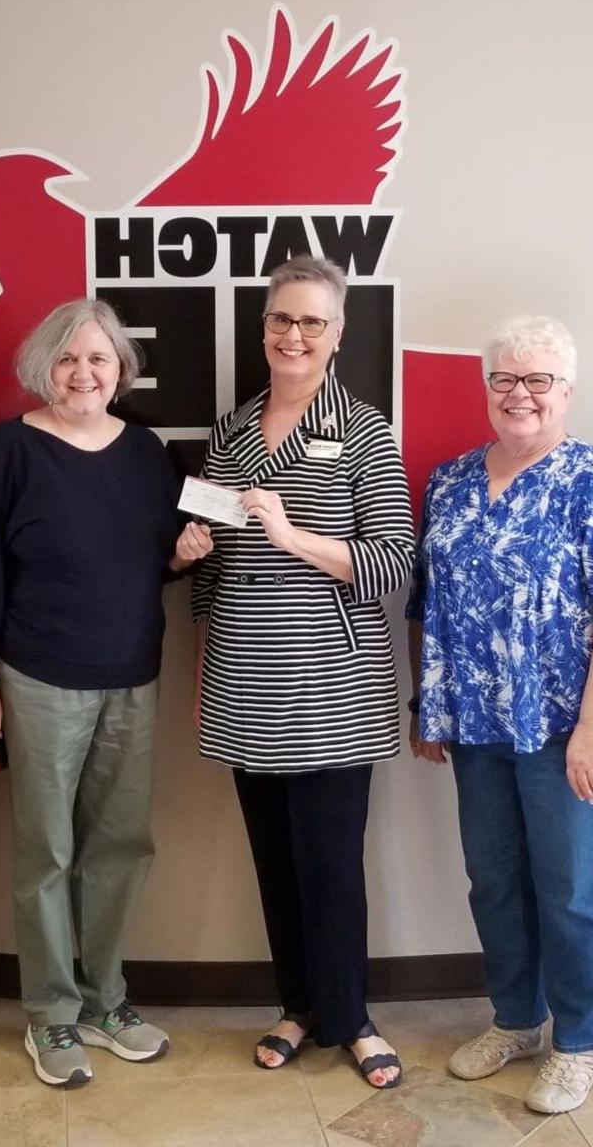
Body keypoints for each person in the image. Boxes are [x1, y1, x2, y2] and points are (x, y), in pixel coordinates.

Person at [0, 298, 212, 1088]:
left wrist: (186, 554)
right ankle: (50, 1017)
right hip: (37, 676)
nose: (82, 373)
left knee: (120, 849)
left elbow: (153, 559)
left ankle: (105, 1003)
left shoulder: (144, 452)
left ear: (120, 371)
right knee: (47, 853)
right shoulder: (8, 451)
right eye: (67, 359)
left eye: (98, 359)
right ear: (43, 368)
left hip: (131, 674)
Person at [406, 315, 593, 1114]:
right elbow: (429, 604)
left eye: (537, 379)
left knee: (575, 889)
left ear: (566, 391)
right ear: (487, 387)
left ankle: (579, 1045)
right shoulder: (448, 480)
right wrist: (431, 703)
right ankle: (516, 1019)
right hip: (476, 726)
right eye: (504, 379)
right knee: (496, 883)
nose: (519, 394)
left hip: (568, 730)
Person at [191, 256, 414, 1089]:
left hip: (332, 685)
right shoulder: (230, 432)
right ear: (262, 330)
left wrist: (293, 537)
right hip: (245, 681)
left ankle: (350, 1016)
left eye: (310, 322)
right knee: (275, 862)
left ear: (338, 335)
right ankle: (298, 1005)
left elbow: (394, 562)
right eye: (280, 320)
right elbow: (211, 570)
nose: (293, 335)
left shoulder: (362, 430)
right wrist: (190, 555)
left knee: (329, 862)